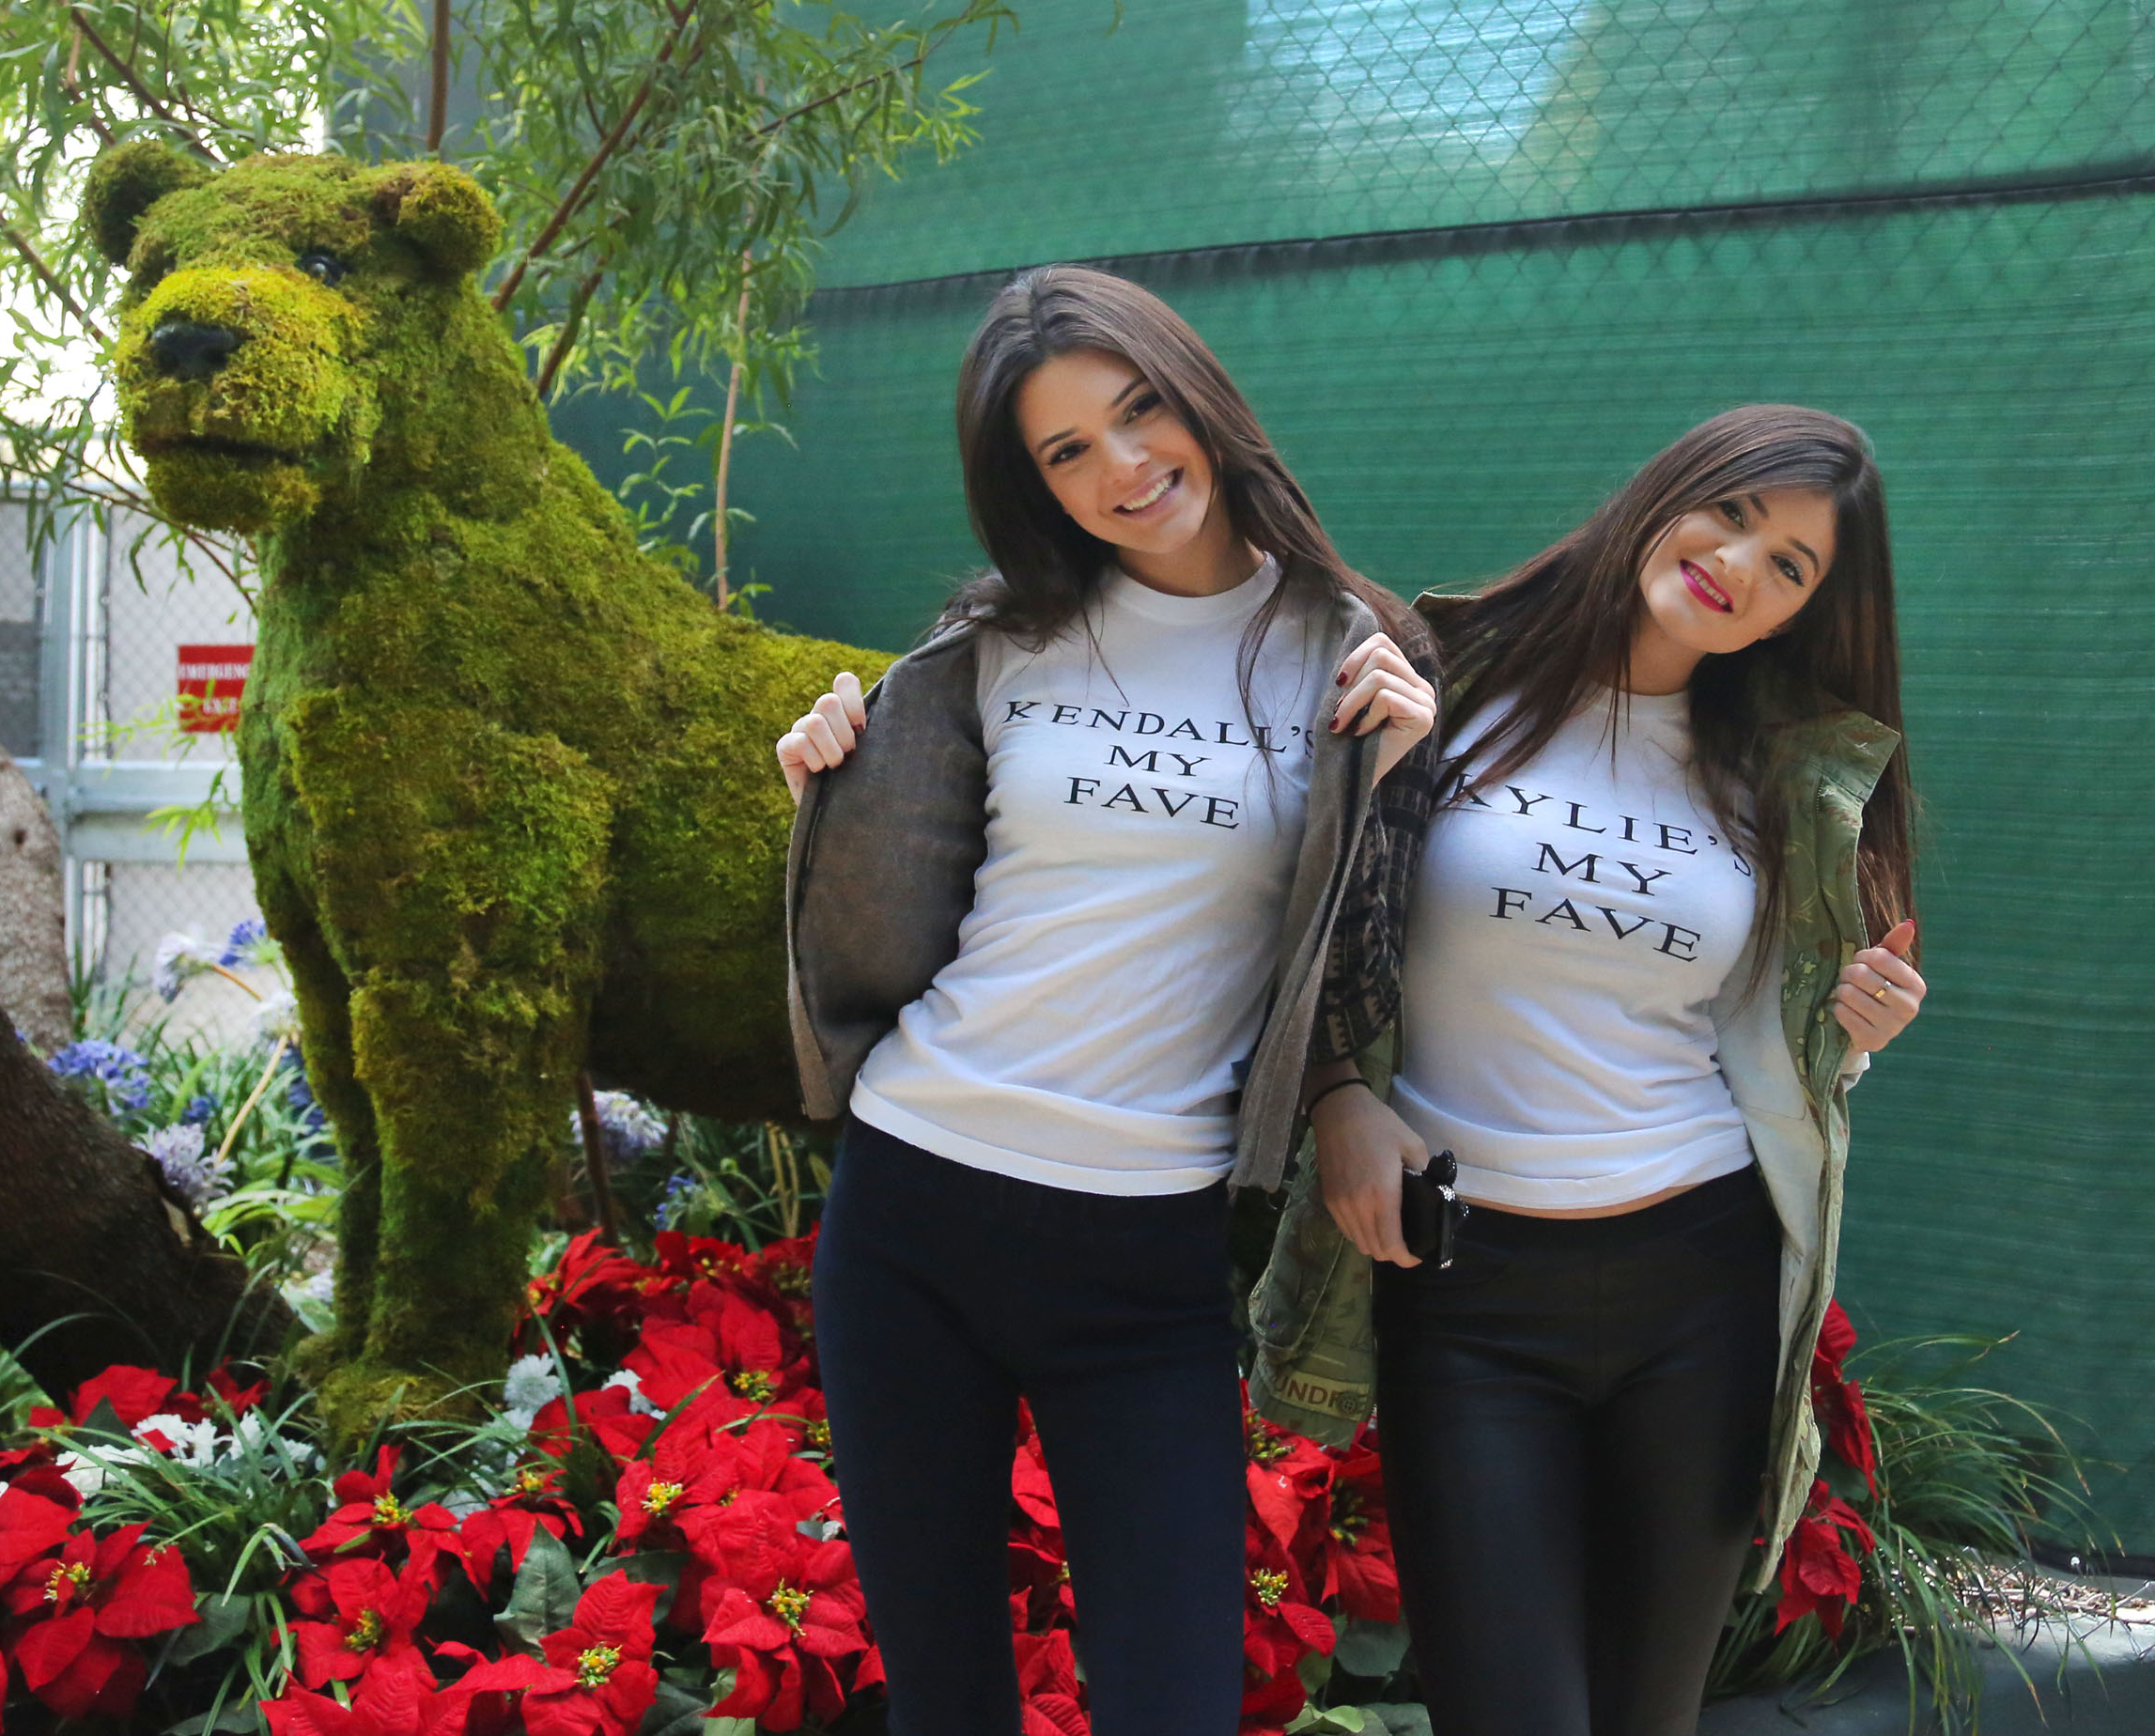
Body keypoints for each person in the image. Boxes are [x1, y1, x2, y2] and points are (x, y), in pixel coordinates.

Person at [774, 263, 1441, 1736]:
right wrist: (829, 781)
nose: (1124, 468)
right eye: (1068, 451)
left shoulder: (1351, 653)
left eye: (1140, 412)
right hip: (913, 1206)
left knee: (1175, 1697)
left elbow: (1378, 954)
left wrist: (1402, 780)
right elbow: (914, 879)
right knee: (946, 1697)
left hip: (1145, 1250)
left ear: (1199, 396)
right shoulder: (1002, 638)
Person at [1291, 405, 1928, 1736]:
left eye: (1790, 566)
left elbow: (1768, 1045)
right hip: (1468, 1293)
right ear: (1670, 490)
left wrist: (1851, 1034)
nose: (1740, 565)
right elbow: (1294, 921)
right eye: (1733, 514)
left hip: (1698, 1288)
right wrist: (1338, 1090)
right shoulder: (1445, 685)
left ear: (1801, 614)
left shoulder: (1785, 779)